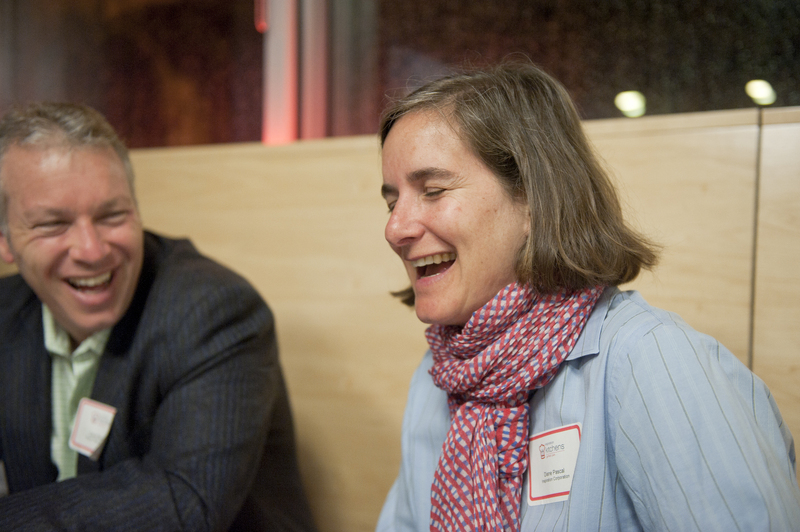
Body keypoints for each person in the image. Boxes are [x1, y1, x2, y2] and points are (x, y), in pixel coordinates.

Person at [375, 63, 800, 531]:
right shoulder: (439, 376)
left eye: (433, 191)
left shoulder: (651, 362)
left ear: (533, 199)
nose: (395, 228)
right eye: (393, 202)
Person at [0, 102, 317, 532]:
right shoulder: (6, 310)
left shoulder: (215, 310)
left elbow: (185, 500)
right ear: (5, 241)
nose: (92, 250)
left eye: (112, 215)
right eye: (53, 225)